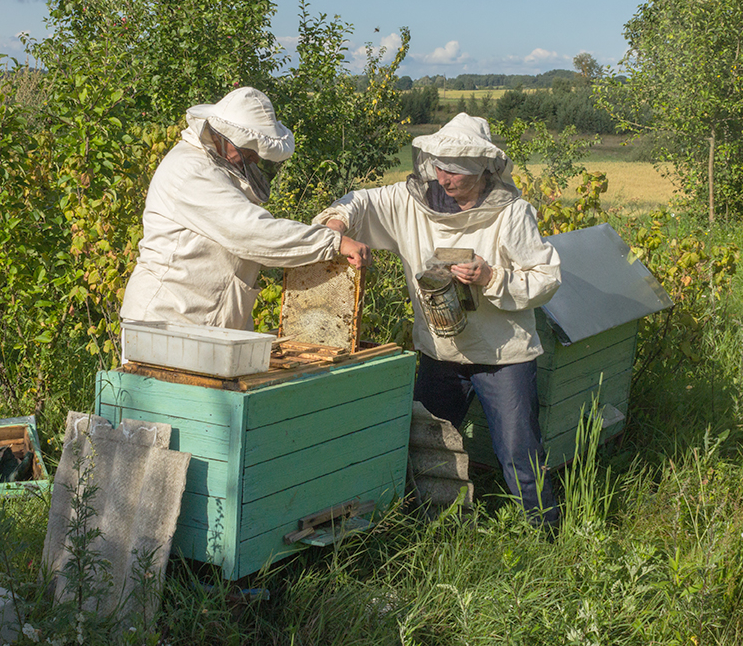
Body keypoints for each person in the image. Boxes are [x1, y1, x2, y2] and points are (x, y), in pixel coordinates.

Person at [313, 113, 561, 525]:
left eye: (454, 174)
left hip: (503, 356)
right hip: (440, 353)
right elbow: (358, 202)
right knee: (424, 445)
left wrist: (490, 276)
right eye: (438, 168)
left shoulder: (512, 213)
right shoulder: (408, 203)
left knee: (519, 453)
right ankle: (421, 527)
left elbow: (547, 279)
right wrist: (337, 227)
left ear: (481, 172)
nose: (443, 179)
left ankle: (546, 536)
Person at [120, 86, 371, 330]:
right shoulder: (191, 170)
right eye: (249, 150)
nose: (255, 158)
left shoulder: (219, 167)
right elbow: (252, 232)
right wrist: (333, 242)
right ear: (222, 135)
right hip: (165, 323)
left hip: (206, 322)